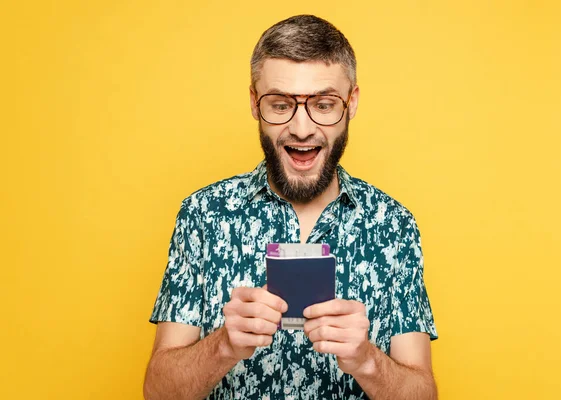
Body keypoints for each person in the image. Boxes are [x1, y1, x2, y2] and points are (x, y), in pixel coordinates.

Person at [143, 14, 438, 400]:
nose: (301, 128)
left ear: (351, 104)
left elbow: (424, 393)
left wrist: (367, 360)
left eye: (324, 103)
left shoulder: (393, 226)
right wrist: (223, 347)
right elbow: (156, 392)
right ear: (254, 102)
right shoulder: (203, 215)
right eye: (280, 104)